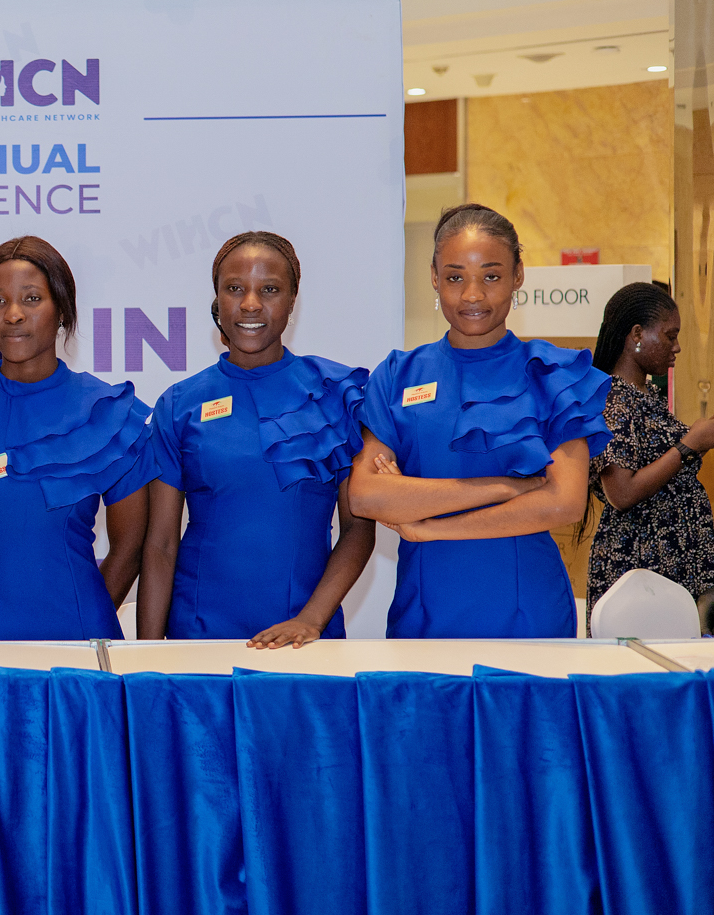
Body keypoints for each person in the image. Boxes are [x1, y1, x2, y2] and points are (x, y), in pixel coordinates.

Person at [350, 204, 610, 637]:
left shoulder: (553, 375)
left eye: (491, 276)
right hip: (424, 613)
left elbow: (564, 502)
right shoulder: (398, 376)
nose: (472, 295)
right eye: (455, 277)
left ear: (518, 276)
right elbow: (366, 495)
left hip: (528, 612)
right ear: (434, 277)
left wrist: (430, 528)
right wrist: (510, 486)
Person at [136, 232, 375, 646]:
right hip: (199, 642)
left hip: (304, 644)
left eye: (269, 289)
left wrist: (312, 620)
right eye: (234, 289)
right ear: (217, 300)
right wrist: (148, 657)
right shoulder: (180, 404)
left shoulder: (337, 394)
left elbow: (358, 529)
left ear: (292, 300)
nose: (250, 304)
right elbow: (159, 546)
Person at [0, 235, 151, 639]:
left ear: (62, 310)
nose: (13, 314)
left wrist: (85, 615)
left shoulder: (107, 411)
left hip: (80, 639)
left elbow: (129, 547)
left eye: (31, 298)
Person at [583, 281, 714, 614]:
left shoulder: (644, 398)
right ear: (637, 334)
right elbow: (622, 493)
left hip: (665, 566)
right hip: (640, 569)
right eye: (670, 336)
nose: (678, 347)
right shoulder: (614, 401)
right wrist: (689, 445)